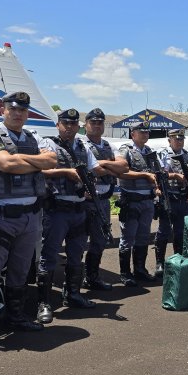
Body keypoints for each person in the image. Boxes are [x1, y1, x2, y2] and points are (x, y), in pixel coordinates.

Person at [0, 91, 57, 354]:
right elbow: (5, 163)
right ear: (3, 110)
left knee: (20, 270)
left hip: (30, 216)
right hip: (0, 217)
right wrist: (31, 162)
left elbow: (52, 160)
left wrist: (21, 161)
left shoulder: (34, 137)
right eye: (13, 109)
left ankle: (16, 318)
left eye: (22, 110)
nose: (18, 113)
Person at [37, 108, 107, 323]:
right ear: (58, 125)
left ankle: (73, 294)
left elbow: (95, 169)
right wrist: (66, 172)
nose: (69, 127)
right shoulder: (49, 144)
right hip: (57, 209)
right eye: (65, 123)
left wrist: (89, 183)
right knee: (49, 255)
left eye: (73, 124)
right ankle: (44, 303)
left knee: (76, 254)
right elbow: (41, 170)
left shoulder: (82, 146)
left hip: (79, 209)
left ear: (78, 126)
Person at [78, 108, 129, 291]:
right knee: (78, 242)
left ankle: (92, 277)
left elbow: (124, 166)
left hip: (103, 201)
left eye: (100, 122)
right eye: (93, 122)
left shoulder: (108, 145)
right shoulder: (80, 144)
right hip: (84, 201)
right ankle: (74, 283)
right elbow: (93, 169)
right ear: (86, 125)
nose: (97, 125)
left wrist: (104, 164)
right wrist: (110, 167)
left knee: (99, 240)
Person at [115, 121, 161, 286]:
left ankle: (140, 270)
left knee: (143, 236)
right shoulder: (125, 150)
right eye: (141, 132)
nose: (145, 134)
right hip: (131, 200)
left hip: (147, 201)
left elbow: (157, 172)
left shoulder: (149, 151)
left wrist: (157, 186)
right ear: (132, 134)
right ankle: (125, 273)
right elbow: (121, 172)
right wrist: (144, 175)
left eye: (147, 132)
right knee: (128, 237)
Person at [153, 128, 188, 276]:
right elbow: (157, 174)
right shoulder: (162, 154)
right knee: (163, 232)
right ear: (169, 140)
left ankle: (177, 261)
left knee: (180, 232)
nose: (179, 141)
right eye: (176, 139)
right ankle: (159, 263)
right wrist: (175, 176)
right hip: (168, 198)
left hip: (184, 199)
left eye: (181, 139)